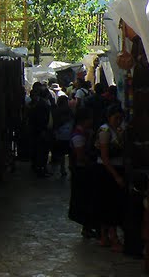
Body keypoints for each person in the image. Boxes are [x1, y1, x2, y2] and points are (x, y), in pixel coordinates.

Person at [95, 104, 126, 251]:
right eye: (116, 118)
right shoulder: (105, 131)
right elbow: (105, 157)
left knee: (109, 205)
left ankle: (105, 236)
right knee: (109, 205)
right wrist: (116, 176)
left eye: (120, 118)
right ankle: (111, 237)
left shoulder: (118, 130)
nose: (118, 121)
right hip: (107, 172)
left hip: (114, 170)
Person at [68, 109, 96, 238]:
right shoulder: (79, 136)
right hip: (82, 172)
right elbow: (80, 157)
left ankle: (88, 226)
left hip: (82, 171)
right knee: (85, 200)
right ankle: (87, 227)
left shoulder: (83, 133)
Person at [27, 84, 52, 177]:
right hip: (41, 131)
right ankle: (41, 169)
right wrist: (42, 130)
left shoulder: (39, 104)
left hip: (39, 131)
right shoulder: (42, 104)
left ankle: (40, 168)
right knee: (41, 151)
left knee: (40, 151)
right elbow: (41, 119)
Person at [50, 96, 74, 177]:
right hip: (68, 134)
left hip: (60, 134)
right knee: (70, 152)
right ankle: (69, 168)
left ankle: (62, 168)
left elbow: (55, 123)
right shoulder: (69, 110)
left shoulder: (56, 111)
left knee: (61, 153)